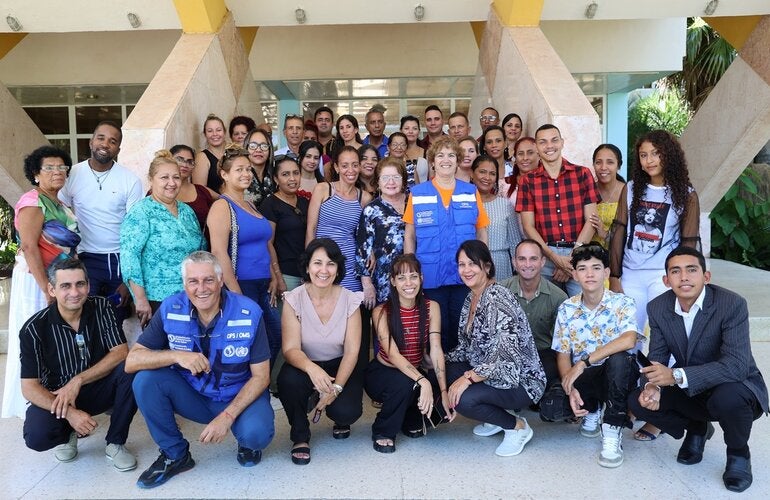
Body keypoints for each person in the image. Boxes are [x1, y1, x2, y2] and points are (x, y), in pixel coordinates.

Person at [126, 251, 274, 488]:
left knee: (256, 435)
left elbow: (262, 376)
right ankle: (175, 455)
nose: (201, 288)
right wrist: (176, 355)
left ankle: (245, 440)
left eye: (208, 280)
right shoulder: (170, 308)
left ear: (220, 280)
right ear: (184, 284)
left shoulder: (249, 311)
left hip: (238, 394)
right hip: (194, 395)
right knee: (145, 381)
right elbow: (132, 361)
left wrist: (227, 416)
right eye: (193, 281)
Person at [628, 247, 768, 493]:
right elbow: (658, 357)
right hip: (691, 386)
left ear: (706, 277)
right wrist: (652, 385)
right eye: (675, 271)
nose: (684, 277)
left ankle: (738, 453)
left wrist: (676, 376)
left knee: (728, 398)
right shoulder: (658, 307)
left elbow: (736, 366)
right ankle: (698, 428)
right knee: (639, 401)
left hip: (734, 385)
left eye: (691, 270)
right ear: (666, 280)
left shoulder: (732, 304)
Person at [20, 258, 137, 471]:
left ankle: (115, 442)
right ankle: (68, 434)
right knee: (37, 436)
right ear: (52, 289)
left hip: (98, 386)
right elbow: (29, 387)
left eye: (80, 284)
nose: (74, 292)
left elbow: (120, 353)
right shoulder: (34, 329)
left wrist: (78, 380)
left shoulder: (102, 307)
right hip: (59, 397)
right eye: (65, 286)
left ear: (88, 285)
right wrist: (70, 414)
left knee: (132, 371)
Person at [446, 240, 545, 457]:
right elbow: (467, 347)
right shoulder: (471, 297)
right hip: (491, 372)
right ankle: (495, 417)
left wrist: (469, 378)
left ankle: (517, 426)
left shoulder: (497, 297)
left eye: (472, 264)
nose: (466, 270)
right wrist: (439, 360)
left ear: (487, 267)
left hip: (520, 379)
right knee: (446, 371)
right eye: (462, 265)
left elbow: (505, 354)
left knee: (463, 400)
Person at [2, 146, 80, 419]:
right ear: (36, 174)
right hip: (38, 282)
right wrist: (44, 287)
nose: (57, 172)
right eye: (49, 168)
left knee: (55, 340)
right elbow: (29, 246)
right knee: (35, 340)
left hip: (60, 280)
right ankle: (34, 403)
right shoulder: (33, 201)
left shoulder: (59, 203)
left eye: (62, 168)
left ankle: (56, 397)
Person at [552, 243, 641, 468]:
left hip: (619, 374)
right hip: (588, 377)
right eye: (582, 268)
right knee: (551, 409)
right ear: (574, 274)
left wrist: (583, 362)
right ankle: (591, 408)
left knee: (619, 359)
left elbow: (629, 339)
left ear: (607, 273)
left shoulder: (623, 302)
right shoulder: (566, 308)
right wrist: (570, 386)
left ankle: (612, 427)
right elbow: (563, 354)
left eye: (596, 268)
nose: (589, 274)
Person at [277, 238, 364, 465]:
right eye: (317, 263)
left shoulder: (350, 299)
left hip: (339, 365)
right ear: (307, 267)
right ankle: (300, 435)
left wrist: (335, 389)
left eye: (330, 264)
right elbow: (290, 349)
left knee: (347, 412)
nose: (323, 270)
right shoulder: (294, 298)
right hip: (305, 364)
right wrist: (312, 369)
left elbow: (352, 351)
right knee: (287, 380)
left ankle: (335, 411)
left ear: (338, 269)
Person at [403, 136, 489, 352]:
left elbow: (482, 231)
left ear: (458, 160)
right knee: (436, 332)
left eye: (451, 155)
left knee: (465, 331)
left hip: (465, 277)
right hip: (431, 277)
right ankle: (439, 379)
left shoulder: (470, 192)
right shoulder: (418, 193)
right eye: (440, 155)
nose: (446, 160)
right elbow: (410, 235)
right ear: (432, 161)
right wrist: (410, 270)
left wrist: (483, 267)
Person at [610, 130, 701, 331]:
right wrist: (614, 277)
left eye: (655, 153)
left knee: (668, 334)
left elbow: (688, 242)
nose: (649, 160)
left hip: (663, 275)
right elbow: (619, 230)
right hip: (631, 274)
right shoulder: (631, 188)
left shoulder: (686, 195)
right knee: (628, 335)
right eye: (643, 155)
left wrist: (680, 276)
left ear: (668, 155)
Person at [365, 254, 453, 452]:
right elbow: (394, 355)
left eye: (413, 276)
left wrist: (444, 392)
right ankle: (383, 430)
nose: (408, 283)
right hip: (383, 372)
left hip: (415, 371)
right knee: (407, 384)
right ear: (393, 282)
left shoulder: (432, 307)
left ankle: (408, 417)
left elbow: (436, 347)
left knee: (445, 408)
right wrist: (423, 381)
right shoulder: (381, 311)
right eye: (401, 278)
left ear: (421, 278)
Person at [58, 121, 143, 322]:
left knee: (116, 317)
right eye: (101, 138)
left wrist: (128, 280)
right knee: (84, 316)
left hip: (118, 258)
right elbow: (59, 212)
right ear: (91, 141)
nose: (105, 144)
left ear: (118, 149)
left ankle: (116, 354)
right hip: (85, 257)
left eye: (112, 141)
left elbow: (135, 231)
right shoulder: (72, 175)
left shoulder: (130, 180)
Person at [207, 145, 283, 365]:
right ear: (224, 174)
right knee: (248, 342)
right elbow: (218, 252)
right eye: (239, 169)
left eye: (248, 169)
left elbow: (263, 243)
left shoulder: (250, 204)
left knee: (273, 336)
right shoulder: (222, 206)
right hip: (242, 285)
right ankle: (248, 388)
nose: (246, 174)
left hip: (263, 284)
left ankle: (260, 387)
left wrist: (272, 275)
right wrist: (236, 293)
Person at [120, 150, 206, 325]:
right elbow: (130, 257)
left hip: (192, 296)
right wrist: (140, 299)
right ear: (151, 180)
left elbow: (200, 251)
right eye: (164, 178)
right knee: (164, 352)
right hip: (157, 301)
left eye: (176, 177)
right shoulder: (142, 212)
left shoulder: (187, 211)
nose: (172, 183)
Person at [515, 124, 600, 297]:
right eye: (543, 142)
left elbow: (592, 220)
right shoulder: (528, 181)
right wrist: (555, 258)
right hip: (545, 257)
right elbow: (528, 226)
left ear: (562, 143)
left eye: (554, 140)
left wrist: (571, 258)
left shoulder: (582, 174)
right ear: (537, 147)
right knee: (544, 315)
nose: (549, 146)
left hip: (579, 253)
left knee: (582, 311)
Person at [500, 239, 568, 395]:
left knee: (548, 377)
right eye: (522, 259)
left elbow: (562, 343)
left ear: (543, 262)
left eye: (533, 258)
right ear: (514, 262)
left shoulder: (558, 298)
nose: (527, 264)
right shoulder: (500, 291)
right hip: (509, 355)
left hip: (542, 354)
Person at [306, 145, 373, 294]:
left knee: (349, 311)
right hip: (322, 264)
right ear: (336, 167)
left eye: (355, 165)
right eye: (345, 165)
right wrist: (309, 263)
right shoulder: (323, 189)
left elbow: (365, 236)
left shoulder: (364, 198)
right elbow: (311, 228)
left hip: (349, 265)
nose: (351, 170)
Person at [357, 157, 408, 307]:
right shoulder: (371, 210)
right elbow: (363, 250)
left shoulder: (414, 202)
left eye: (396, 177)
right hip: (384, 281)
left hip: (414, 278)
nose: (390, 182)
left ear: (404, 180)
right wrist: (367, 285)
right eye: (385, 177)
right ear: (377, 182)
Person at [260, 154, 309, 293]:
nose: (292, 179)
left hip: (307, 274)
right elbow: (268, 243)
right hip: (285, 274)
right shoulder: (270, 204)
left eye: (296, 173)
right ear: (276, 179)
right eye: (285, 174)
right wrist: (278, 277)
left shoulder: (304, 202)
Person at [471, 155, 518, 280]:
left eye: (492, 173)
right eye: (482, 172)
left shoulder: (505, 204)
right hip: (471, 266)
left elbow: (515, 242)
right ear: (472, 173)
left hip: (500, 266)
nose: (487, 177)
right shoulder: (464, 204)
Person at [169, 144, 218, 231]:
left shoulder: (201, 191)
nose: (185, 165)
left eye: (189, 162)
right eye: (180, 159)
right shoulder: (160, 191)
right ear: (169, 160)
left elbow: (227, 201)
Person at [590, 144, 625, 248]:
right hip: (590, 256)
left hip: (617, 257)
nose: (603, 167)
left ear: (618, 165)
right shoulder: (587, 190)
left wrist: (604, 233)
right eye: (598, 162)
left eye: (610, 162)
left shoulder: (627, 192)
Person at [193, 114, 226, 192]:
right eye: (210, 131)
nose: (215, 134)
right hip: (214, 203)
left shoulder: (233, 153)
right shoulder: (202, 157)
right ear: (205, 134)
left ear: (224, 132)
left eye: (218, 130)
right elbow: (200, 189)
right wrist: (225, 199)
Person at [243, 128, 275, 207]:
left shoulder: (276, 173)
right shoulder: (239, 174)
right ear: (246, 148)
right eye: (253, 146)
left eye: (264, 146)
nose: (258, 150)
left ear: (269, 149)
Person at [479, 125, 513, 193]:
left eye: (498, 141)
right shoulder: (478, 170)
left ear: (505, 143)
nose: (494, 145)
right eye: (489, 142)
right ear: (484, 147)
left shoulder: (514, 168)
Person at [400, 115, 429, 184]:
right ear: (401, 131)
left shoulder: (426, 152)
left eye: (414, 128)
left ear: (419, 131)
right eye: (406, 128)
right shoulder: (396, 153)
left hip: (422, 193)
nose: (410, 131)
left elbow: (431, 178)